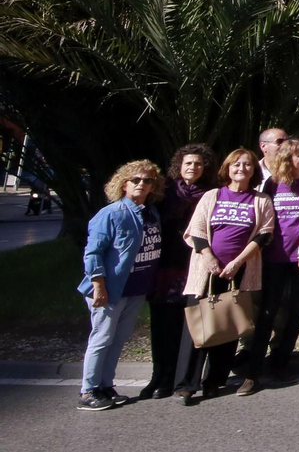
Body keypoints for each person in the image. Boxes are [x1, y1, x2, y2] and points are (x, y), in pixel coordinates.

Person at [175, 148, 276, 405]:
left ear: (254, 171)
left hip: (238, 272)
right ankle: (187, 384)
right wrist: (209, 258)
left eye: (247, 165)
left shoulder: (261, 200)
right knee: (198, 326)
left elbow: (264, 234)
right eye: (236, 165)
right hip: (206, 272)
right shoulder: (212, 195)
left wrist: (238, 262)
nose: (241, 169)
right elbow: (196, 229)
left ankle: (214, 381)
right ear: (227, 168)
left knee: (227, 326)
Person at [77, 160, 164, 411]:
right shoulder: (111, 214)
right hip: (110, 289)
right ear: (123, 184)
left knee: (118, 339)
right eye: (135, 180)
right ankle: (87, 391)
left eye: (147, 181)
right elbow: (93, 253)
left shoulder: (151, 212)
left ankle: (105, 385)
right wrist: (99, 285)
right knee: (101, 338)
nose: (141, 184)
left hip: (136, 288)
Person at [143, 144, 217, 400]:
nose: (193, 168)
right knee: (161, 324)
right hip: (164, 265)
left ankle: (177, 377)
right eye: (188, 163)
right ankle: (158, 376)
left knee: (187, 325)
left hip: (193, 265)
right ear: (179, 165)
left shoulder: (210, 193)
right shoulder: (164, 191)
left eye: (198, 164)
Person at [242, 137, 299, 393]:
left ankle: (281, 364)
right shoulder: (273, 184)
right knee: (267, 313)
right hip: (274, 258)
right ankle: (253, 372)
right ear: (287, 159)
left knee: (296, 313)